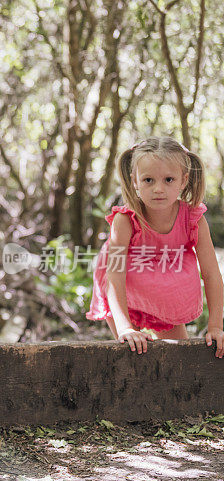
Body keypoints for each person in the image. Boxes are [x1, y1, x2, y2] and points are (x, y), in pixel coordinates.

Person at [87, 137, 224, 356]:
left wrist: (216, 326)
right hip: (126, 285)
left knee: (179, 359)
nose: (158, 189)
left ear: (183, 180)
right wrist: (125, 328)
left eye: (168, 179)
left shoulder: (193, 219)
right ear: (135, 181)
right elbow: (114, 275)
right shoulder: (125, 220)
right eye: (148, 180)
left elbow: (211, 273)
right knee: (133, 352)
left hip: (166, 286)